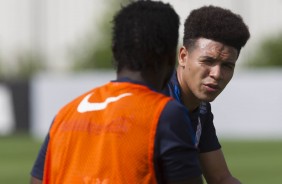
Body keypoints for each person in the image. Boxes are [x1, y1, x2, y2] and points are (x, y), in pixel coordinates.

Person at [30, 1, 204, 184]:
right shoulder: (166, 114)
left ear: (115, 51)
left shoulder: (65, 114)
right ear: (171, 57)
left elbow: (37, 181)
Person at [163, 5, 250, 184]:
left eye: (227, 66)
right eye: (207, 61)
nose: (217, 74)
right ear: (183, 56)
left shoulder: (201, 108)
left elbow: (221, 178)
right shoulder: (156, 102)